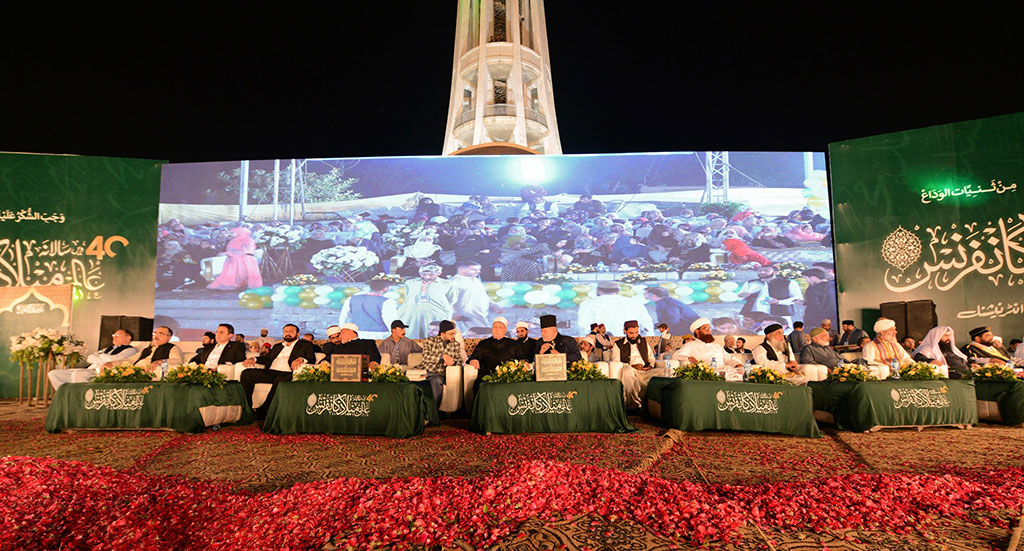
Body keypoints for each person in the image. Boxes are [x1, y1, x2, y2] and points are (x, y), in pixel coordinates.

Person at [240, 324, 319, 419]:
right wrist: (254, 359)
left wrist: (301, 359)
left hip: (288, 373)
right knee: (247, 373)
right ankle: (247, 409)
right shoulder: (278, 346)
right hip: (271, 372)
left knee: (280, 379)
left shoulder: (305, 345)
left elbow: (311, 359)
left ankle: (263, 410)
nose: (288, 333)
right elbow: (267, 359)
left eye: (291, 331)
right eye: (285, 331)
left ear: (297, 334)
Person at [49, 329, 137, 389]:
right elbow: (90, 358)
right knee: (54, 373)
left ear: (128, 337)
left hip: (103, 373)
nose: (114, 337)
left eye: (118, 335)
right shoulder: (108, 349)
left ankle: (80, 400)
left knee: (78, 374)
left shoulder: (130, 350)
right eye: (113, 335)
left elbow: (115, 360)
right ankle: (65, 396)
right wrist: (103, 357)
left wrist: (100, 356)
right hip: (90, 369)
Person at [613, 320, 670, 409]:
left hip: (646, 371)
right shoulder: (618, 345)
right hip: (631, 370)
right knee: (627, 372)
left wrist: (650, 366)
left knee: (666, 372)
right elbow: (616, 362)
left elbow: (651, 358)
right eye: (631, 333)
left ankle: (663, 405)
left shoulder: (643, 341)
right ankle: (634, 406)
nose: (634, 335)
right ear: (625, 331)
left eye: (636, 332)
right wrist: (633, 366)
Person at [468, 317, 525, 396]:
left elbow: (521, 357)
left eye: (500, 327)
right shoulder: (483, 343)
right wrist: (474, 360)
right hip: (487, 375)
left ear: (505, 330)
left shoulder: (513, 344)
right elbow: (475, 356)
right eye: (495, 327)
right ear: (492, 329)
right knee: (480, 386)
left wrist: (524, 362)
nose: (497, 329)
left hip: (508, 376)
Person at [397, 264, 456, 339]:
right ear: (419, 273)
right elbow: (407, 296)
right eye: (424, 274)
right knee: (412, 333)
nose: (427, 276)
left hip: (436, 314)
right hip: (413, 313)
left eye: (431, 274)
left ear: (439, 273)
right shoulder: (411, 283)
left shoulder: (447, 284)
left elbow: (451, 299)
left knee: (436, 334)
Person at [577, 281, 654, 336]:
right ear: (618, 290)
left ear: (599, 291)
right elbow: (647, 326)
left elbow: (583, 327)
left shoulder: (588, 304)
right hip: (630, 345)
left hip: (600, 346)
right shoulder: (634, 303)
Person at [415, 320, 463, 406]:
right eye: (451, 334)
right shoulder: (430, 341)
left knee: (436, 380)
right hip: (425, 371)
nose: (453, 336)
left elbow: (459, 360)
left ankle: (432, 412)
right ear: (443, 334)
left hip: (440, 374)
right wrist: (443, 357)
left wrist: (452, 362)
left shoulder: (455, 344)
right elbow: (426, 356)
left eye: (454, 333)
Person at [738, 265, 802, 327]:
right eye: (760, 271)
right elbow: (739, 297)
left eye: (766, 270)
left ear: (776, 272)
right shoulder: (750, 283)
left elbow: (797, 299)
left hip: (779, 315)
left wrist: (778, 302)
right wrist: (743, 296)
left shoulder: (789, 283)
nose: (762, 272)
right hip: (753, 316)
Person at [449, 261, 501, 336]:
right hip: (465, 318)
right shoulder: (454, 283)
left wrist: (494, 305)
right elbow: (446, 301)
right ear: (461, 269)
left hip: (481, 316)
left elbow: (483, 296)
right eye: (473, 269)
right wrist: (452, 314)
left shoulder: (476, 280)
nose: (478, 272)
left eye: (479, 269)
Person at [672, 318, 742, 370]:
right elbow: (676, 356)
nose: (709, 331)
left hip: (723, 375)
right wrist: (689, 358)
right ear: (697, 331)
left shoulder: (717, 346)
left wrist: (738, 364)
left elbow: (729, 359)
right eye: (705, 329)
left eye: (710, 328)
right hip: (704, 377)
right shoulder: (690, 345)